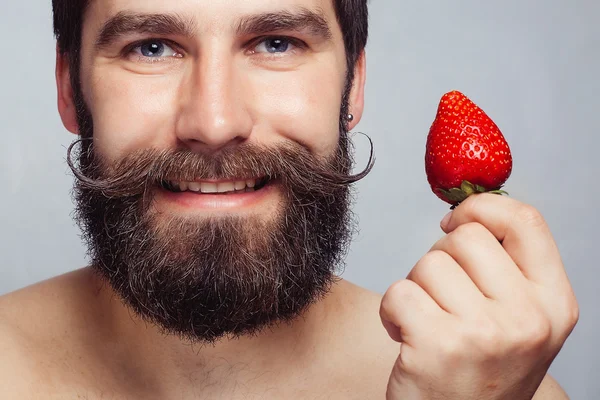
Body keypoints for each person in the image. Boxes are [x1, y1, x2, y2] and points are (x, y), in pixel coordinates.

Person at [0, 0, 579, 398]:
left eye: (276, 43)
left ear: (352, 85)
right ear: (69, 89)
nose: (215, 120)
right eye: (151, 47)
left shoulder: (499, 390)